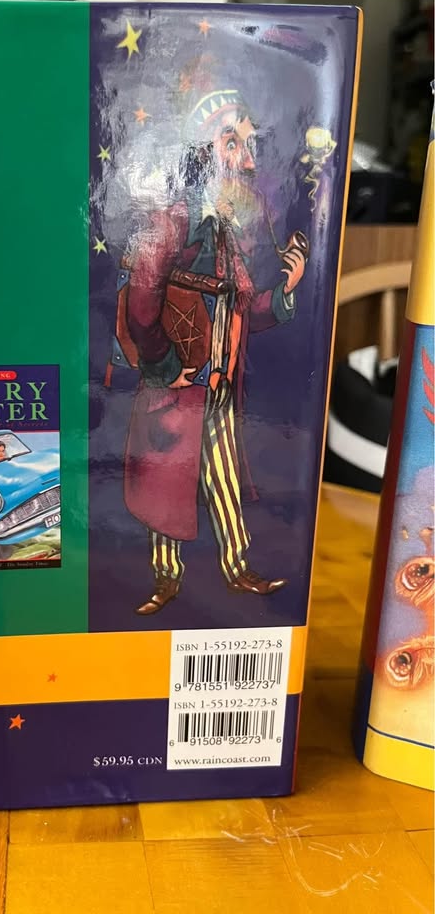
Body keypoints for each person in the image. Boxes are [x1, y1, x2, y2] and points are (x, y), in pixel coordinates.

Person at [123, 85, 308, 616]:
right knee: (166, 484)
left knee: (223, 478)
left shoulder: (232, 232)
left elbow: (245, 313)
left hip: (221, 387)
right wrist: (166, 368)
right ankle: (166, 578)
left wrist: (286, 291)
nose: (248, 162)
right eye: (236, 145)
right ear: (208, 149)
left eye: (249, 147)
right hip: (178, 388)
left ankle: (236, 568)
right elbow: (142, 303)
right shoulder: (173, 221)